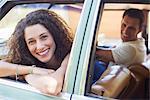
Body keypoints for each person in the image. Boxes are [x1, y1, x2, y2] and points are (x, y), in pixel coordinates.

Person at [0, 9, 73, 95]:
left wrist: (65, 66)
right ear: (25, 46)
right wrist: (31, 70)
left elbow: (51, 87)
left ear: (55, 35)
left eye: (44, 37)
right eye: (31, 42)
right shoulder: (26, 62)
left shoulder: (72, 55)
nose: (40, 46)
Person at [93, 8, 147, 82]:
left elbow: (97, 53)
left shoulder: (131, 49)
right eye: (124, 25)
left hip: (109, 82)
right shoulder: (139, 43)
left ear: (140, 29)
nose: (125, 31)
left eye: (131, 28)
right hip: (112, 77)